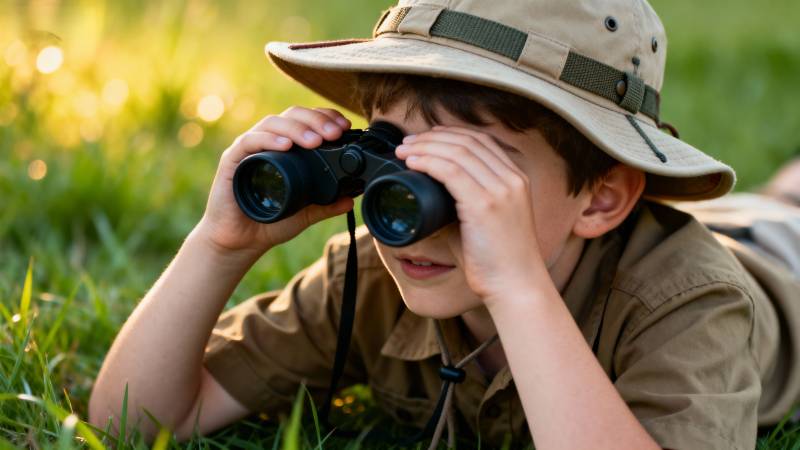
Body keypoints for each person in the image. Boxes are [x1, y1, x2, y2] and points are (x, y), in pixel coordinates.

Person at [88, 0, 800, 448]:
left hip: (775, 258)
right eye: (395, 158)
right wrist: (218, 245)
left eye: (473, 173)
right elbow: (131, 421)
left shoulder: (691, 302)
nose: (416, 220)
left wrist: (516, 286)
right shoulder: (368, 282)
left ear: (600, 198)